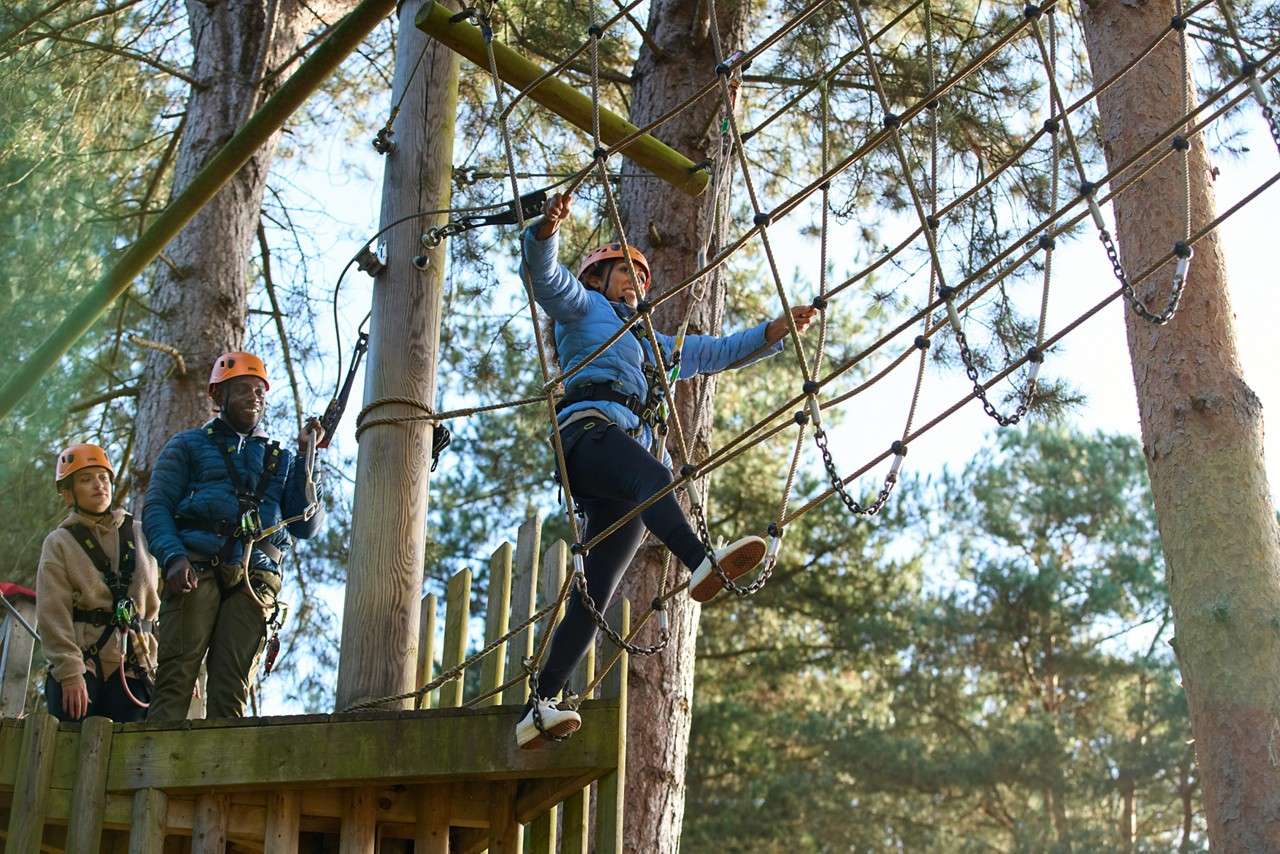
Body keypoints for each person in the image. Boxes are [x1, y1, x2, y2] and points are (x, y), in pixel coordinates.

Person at [515, 193, 818, 748]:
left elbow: (720, 351)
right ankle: (700, 561)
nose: (635, 282)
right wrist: (544, 234)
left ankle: (541, 702)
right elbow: (546, 278)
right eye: (623, 273)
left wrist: (774, 332)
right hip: (589, 437)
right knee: (657, 475)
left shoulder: (655, 346)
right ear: (599, 278)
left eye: (641, 276)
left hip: (617, 473)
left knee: (596, 595)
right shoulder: (584, 309)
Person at [143, 351, 326, 721]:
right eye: (243, 389)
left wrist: (308, 457)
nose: (254, 397)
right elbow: (157, 508)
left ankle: (217, 776)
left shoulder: (284, 459)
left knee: (232, 688)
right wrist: (173, 557)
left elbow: (305, 524)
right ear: (218, 397)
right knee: (176, 677)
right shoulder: (187, 446)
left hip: (254, 578)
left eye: (260, 391)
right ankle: (151, 772)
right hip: (197, 567)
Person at [37, 443, 159, 722]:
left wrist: (173, 669)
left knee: (130, 760)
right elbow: (52, 613)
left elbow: (160, 609)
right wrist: (69, 674)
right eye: (85, 479)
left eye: (103, 477)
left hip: (134, 668)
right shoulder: (60, 543)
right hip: (83, 665)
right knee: (69, 751)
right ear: (69, 492)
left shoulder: (141, 536)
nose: (98, 485)